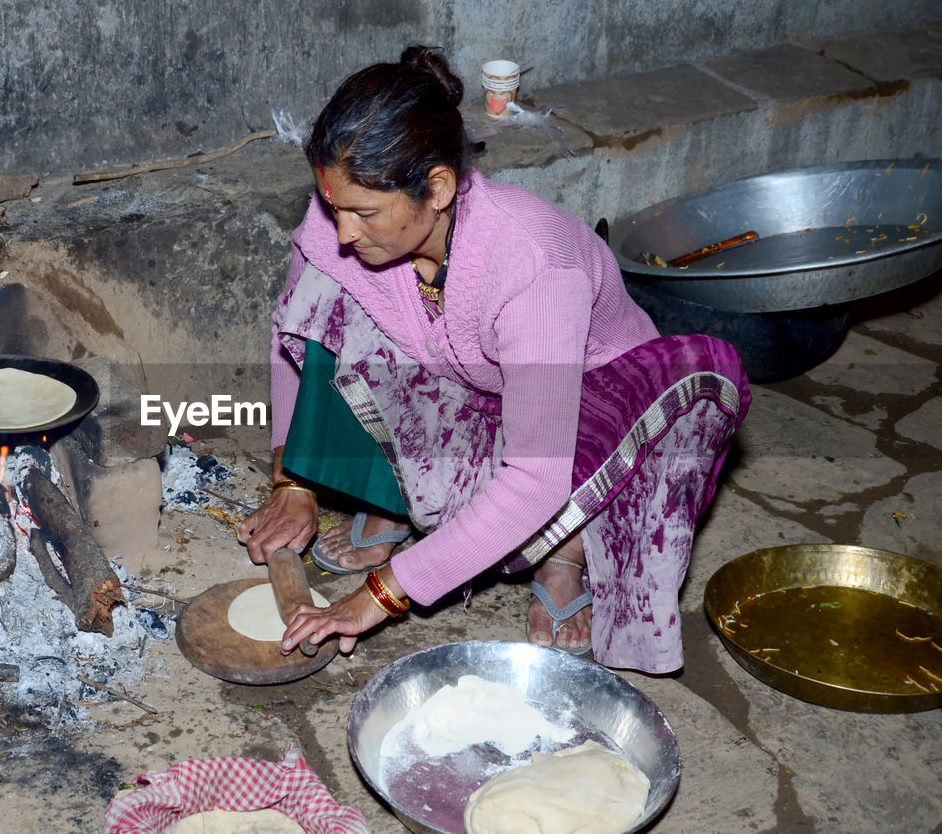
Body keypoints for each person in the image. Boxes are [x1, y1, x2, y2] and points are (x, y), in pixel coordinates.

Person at [236, 45, 750, 674]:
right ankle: (395, 494)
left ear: (439, 187)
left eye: (365, 212)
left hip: (592, 405)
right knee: (324, 282)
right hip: (473, 382)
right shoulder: (343, 221)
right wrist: (294, 483)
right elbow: (294, 327)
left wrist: (383, 595)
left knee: (554, 481)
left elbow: (536, 477)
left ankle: (567, 552)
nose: (345, 231)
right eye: (336, 207)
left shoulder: (531, 264)